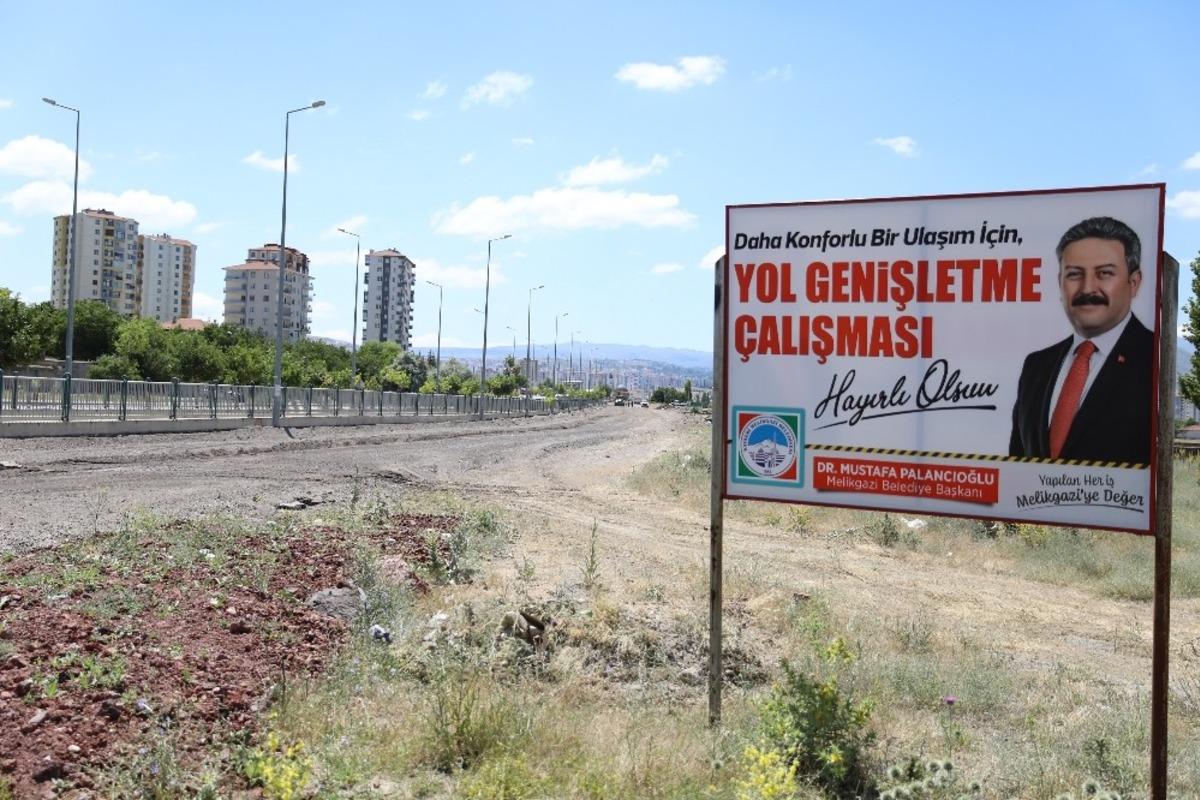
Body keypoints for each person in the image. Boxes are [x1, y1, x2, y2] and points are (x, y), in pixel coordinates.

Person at [1009, 216, 1154, 464]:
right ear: (1060, 283)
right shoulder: (1036, 366)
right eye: (1075, 274)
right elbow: (1018, 462)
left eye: (1105, 273)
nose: (1088, 288)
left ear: (1134, 282)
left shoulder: (1154, 359)